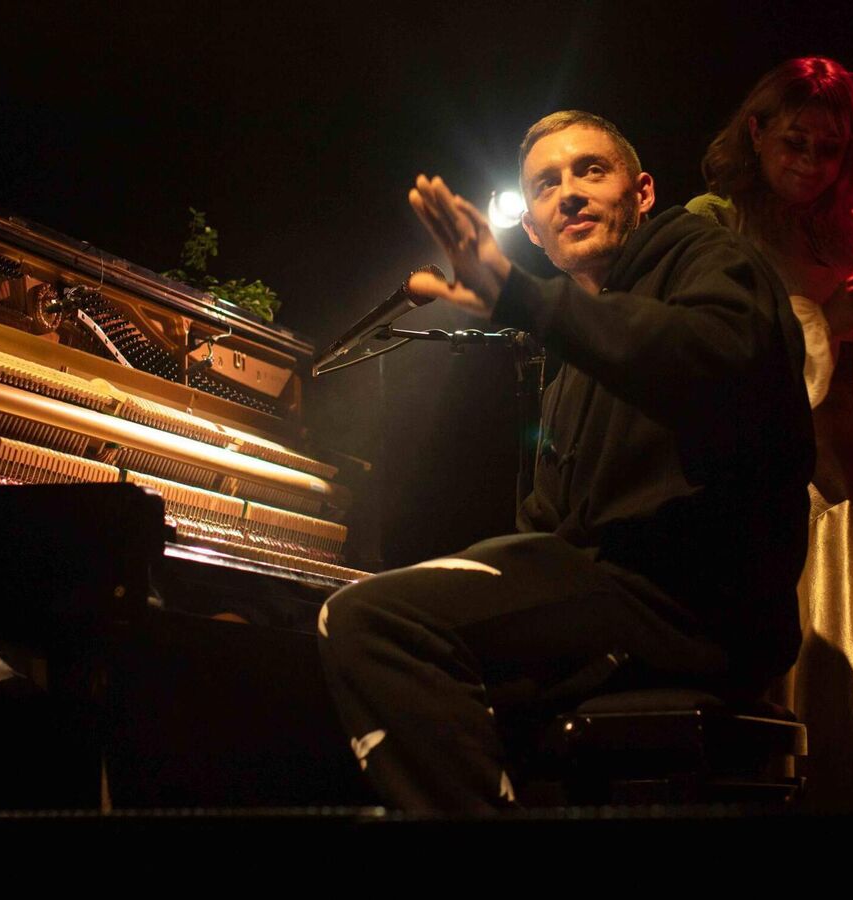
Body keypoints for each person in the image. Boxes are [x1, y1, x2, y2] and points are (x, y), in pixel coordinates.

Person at [317, 110, 814, 812]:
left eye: (590, 170)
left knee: (375, 623)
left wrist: (520, 296)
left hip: (686, 604)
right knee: (397, 668)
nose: (568, 194)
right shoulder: (574, 341)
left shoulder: (705, 256)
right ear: (535, 228)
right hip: (611, 595)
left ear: (642, 192)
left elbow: (707, 354)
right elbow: (551, 526)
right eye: (545, 185)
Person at [688, 57, 853, 810]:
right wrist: (829, 322)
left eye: (828, 149)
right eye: (795, 142)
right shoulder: (718, 222)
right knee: (783, 678)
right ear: (758, 132)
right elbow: (711, 360)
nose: (809, 164)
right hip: (772, 478)